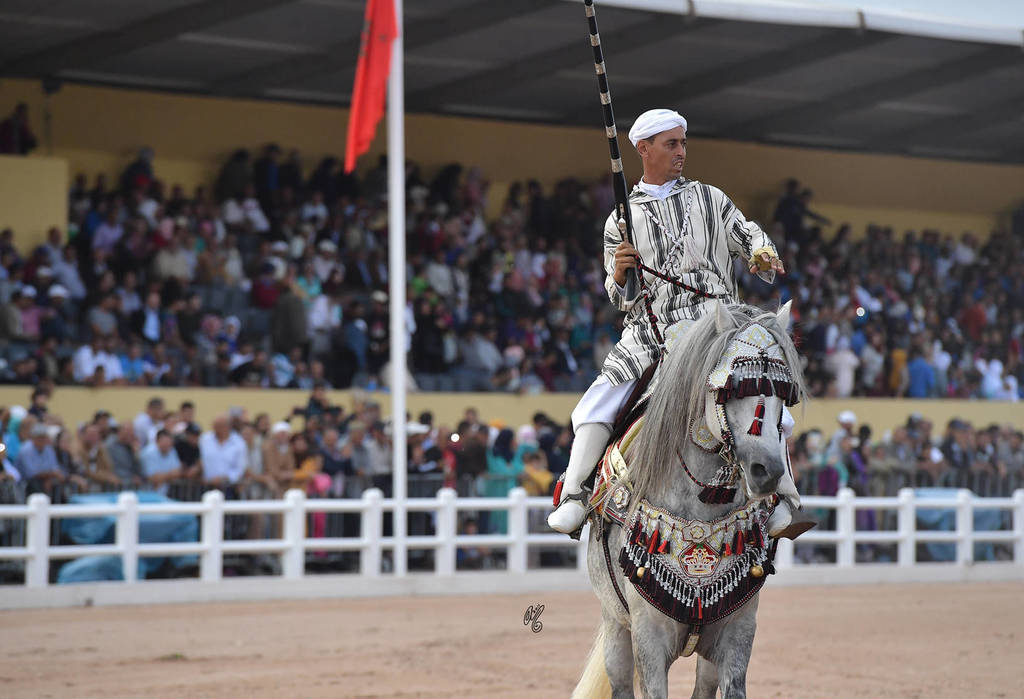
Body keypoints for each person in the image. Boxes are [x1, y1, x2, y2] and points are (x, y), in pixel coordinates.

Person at [547, 108, 803, 537]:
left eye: (683, 143)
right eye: (672, 144)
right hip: (653, 332)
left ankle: (783, 498)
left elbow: (746, 232)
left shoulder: (710, 197)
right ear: (644, 149)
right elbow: (617, 298)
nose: (681, 152)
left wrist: (761, 250)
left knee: (764, 394)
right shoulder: (621, 219)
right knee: (596, 403)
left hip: (718, 328)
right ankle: (574, 493)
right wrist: (621, 273)